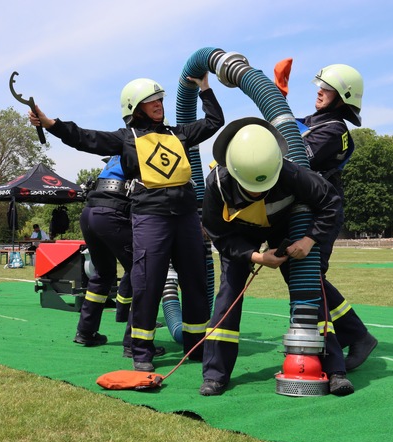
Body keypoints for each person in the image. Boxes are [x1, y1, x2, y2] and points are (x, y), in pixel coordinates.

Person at [29, 72, 224, 372]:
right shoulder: (126, 138)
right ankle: (141, 351)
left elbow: (214, 122)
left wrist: (205, 88)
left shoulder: (178, 133)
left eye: (159, 98)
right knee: (147, 283)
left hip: (186, 217)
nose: (158, 104)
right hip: (150, 217)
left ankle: (196, 346)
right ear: (135, 107)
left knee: (196, 282)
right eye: (151, 100)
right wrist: (51, 124)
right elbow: (85, 138)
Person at [200, 117, 353, 396]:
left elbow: (330, 201)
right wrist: (255, 257)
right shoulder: (216, 184)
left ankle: (335, 370)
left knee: (308, 290)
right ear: (232, 170)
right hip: (239, 235)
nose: (258, 192)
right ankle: (215, 374)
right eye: (250, 187)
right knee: (228, 296)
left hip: (286, 228)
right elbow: (219, 234)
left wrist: (309, 239)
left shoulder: (290, 173)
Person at [295, 63, 377, 369]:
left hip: (322, 212)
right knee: (310, 277)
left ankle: (353, 337)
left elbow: (296, 155)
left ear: (342, 97)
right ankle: (356, 334)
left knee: (309, 277)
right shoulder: (313, 122)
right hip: (307, 209)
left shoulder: (333, 130)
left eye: (326, 89)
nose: (319, 92)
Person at [75, 155, 165, 359]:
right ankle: (134, 344)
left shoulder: (118, 154)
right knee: (142, 273)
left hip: (90, 212)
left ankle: (85, 331)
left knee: (103, 273)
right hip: (112, 213)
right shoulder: (149, 150)